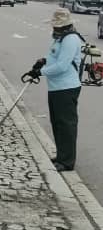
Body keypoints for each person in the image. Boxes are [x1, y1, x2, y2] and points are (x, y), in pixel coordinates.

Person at [31, 9, 82, 172]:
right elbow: (54, 58)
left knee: (66, 125)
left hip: (66, 88)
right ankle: (61, 155)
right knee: (57, 123)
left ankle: (67, 162)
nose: (54, 29)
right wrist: (43, 61)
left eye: (56, 27)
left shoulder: (71, 40)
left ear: (65, 26)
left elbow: (62, 65)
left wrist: (41, 72)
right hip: (56, 88)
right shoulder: (60, 39)